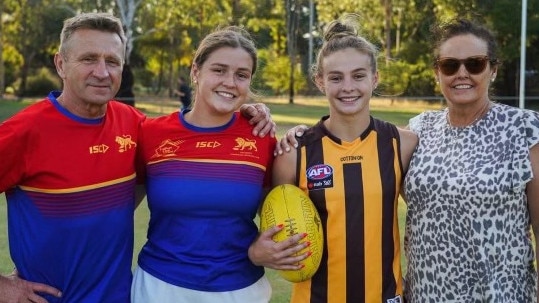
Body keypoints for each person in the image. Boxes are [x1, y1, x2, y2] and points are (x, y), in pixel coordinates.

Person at [0, 12, 276, 303]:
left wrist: (258, 114)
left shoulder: (135, 126)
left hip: (121, 296)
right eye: (88, 59)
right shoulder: (25, 131)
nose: (102, 72)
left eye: (113, 62)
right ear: (61, 64)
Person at [131, 26, 309, 303]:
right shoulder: (151, 132)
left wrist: (302, 135)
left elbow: (279, 213)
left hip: (239, 290)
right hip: (159, 287)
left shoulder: (261, 137)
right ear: (195, 71)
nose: (230, 82)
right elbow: (112, 209)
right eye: (219, 70)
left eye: (241, 75)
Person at [272, 15, 417, 303]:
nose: (347, 87)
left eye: (359, 75)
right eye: (336, 77)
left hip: (386, 297)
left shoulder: (403, 143)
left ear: (375, 78)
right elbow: (273, 231)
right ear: (320, 81)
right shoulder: (294, 153)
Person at [402, 18, 539, 302]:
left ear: (493, 70)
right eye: (450, 65)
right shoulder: (418, 130)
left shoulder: (524, 130)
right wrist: (305, 135)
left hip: (501, 296)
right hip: (426, 294)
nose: (462, 73)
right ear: (437, 73)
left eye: (475, 64)